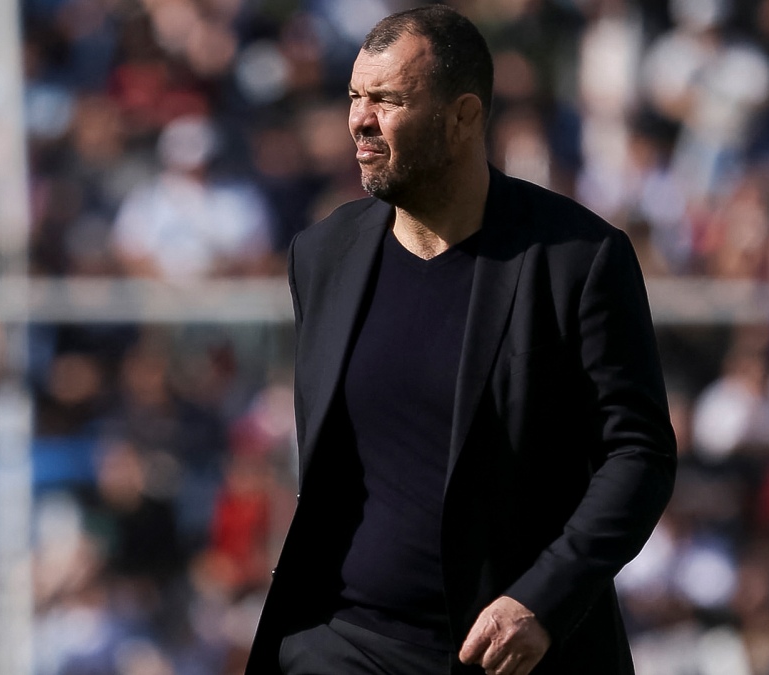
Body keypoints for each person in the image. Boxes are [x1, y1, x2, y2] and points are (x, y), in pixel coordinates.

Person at [247, 6, 676, 675]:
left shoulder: (577, 259)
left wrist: (542, 600)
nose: (360, 119)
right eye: (355, 96)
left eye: (388, 100)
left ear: (464, 116)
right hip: (343, 642)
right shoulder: (323, 253)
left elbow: (639, 455)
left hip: (504, 655)